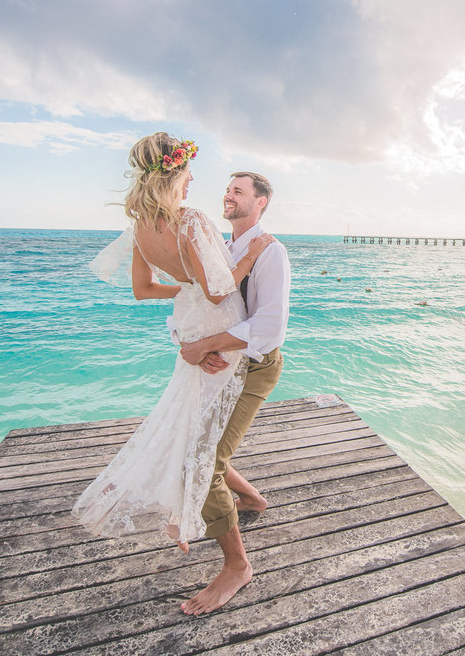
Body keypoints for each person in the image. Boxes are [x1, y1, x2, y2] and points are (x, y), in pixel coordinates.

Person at [72, 134, 274, 561]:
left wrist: (186, 291)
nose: (194, 178)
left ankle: (246, 500)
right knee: (200, 438)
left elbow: (143, 290)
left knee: (193, 428)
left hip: (192, 328)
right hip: (218, 331)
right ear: (176, 172)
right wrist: (251, 255)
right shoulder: (191, 220)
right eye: (188, 170)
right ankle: (216, 537)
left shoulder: (141, 227)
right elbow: (220, 292)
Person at [176, 170, 291, 615]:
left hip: (255, 370)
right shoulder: (222, 249)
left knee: (203, 464)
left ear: (260, 202)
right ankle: (253, 500)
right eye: (227, 189)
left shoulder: (272, 253)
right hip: (222, 368)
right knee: (206, 448)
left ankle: (238, 567)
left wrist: (206, 345)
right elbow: (194, 304)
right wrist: (194, 345)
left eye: (238, 191)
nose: (228, 195)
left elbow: (269, 326)